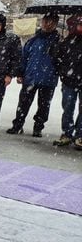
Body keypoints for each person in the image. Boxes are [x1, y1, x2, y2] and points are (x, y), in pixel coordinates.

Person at [6, 12, 61, 137]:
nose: (48, 25)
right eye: (46, 21)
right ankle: (18, 125)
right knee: (23, 103)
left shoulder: (59, 42)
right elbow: (24, 58)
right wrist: (20, 73)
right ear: (42, 22)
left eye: (51, 22)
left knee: (44, 106)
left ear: (56, 24)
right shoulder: (33, 41)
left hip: (49, 79)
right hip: (30, 77)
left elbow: (62, 61)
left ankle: (38, 127)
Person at [51, 15, 82, 148]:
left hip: (75, 78)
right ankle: (67, 133)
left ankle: (80, 135)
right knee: (68, 107)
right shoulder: (66, 42)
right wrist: (63, 71)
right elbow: (57, 58)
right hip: (69, 80)